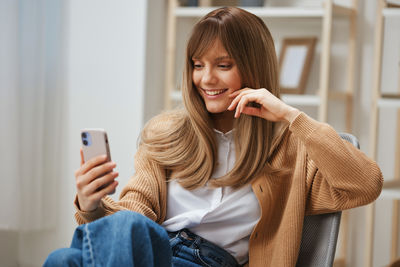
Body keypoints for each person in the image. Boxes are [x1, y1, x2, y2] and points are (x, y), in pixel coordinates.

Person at [44, 6, 383, 267]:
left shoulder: (290, 149)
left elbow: (365, 184)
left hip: (212, 261)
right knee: (65, 259)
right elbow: (135, 216)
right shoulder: (167, 134)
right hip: (157, 250)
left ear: (253, 67)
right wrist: (91, 207)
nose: (206, 79)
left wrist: (291, 116)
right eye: (197, 64)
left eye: (223, 65)